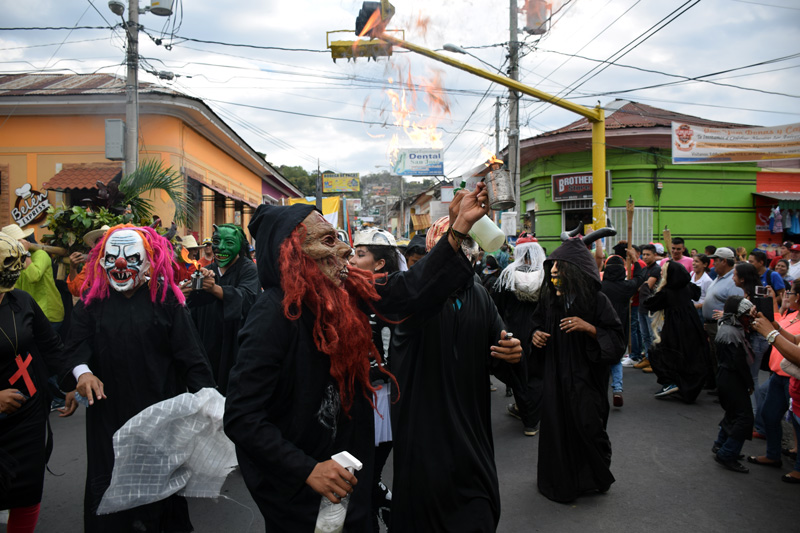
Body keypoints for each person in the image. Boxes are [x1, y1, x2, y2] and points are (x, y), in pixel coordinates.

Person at [223, 184, 496, 531]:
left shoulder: (343, 290)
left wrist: (457, 230)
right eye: (327, 242)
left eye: (339, 238)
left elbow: (408, 289)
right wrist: (307, 468)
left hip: (352, 478)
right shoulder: (272, 316)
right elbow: (242, 416)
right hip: (304, 499)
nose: (345, 249)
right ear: (293, 254)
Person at [59, 224, 216, 532]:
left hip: (159, 419)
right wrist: (84, 373)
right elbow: (74, 348)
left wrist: (208, 404)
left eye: (131, 257)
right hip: (109, 420)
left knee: (162, 504)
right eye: (113, 257)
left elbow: (192, 358)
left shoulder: (167, 300)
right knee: (110, 496)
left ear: (147, 259)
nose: (121, 265)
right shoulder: (92, 303)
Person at [389, 215, 522, 531]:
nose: (466, 253)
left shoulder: (480, 296)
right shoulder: (415, 301)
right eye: (456, 245)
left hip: (471, 434)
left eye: (470, 246)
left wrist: (512, 354)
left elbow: (500, 345)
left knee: (479, 512)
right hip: (425, 437)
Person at [530, 231, 626, 503]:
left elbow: (617, 340)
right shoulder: (549, 300)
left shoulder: (597, 301)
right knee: (557, 429)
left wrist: (590, 328)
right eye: (552, 269)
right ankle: (559, 481)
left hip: (586, 380)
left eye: (560, 269)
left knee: (589, 426)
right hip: (555, 379)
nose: (554, 274)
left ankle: (593, 477)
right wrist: (535, 336)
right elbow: (535, 325)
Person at [0, 234, 75, 533]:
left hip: (28, 414)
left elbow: (51, 346)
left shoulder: (22, 300)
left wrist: (71, 383)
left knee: (27, 492)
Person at [348, 228, 400, 531]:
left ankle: (382, 504)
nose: (353, 259)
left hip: (382, 395)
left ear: (380, 264)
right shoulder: (352, 289)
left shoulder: (391, 291)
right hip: (358, 392)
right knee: (363, 469)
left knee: (369, 467)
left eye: (360, 254)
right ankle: (383, 502)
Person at [184, 224, 259, 395]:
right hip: (207, 340)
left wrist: (214, 289)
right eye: (217, 241)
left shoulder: (248, 269)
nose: (221, 247)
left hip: (235, 343)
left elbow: (247, 299)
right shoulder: (207, 270)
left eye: (229, 242)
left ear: (240, 245)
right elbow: (193, 307)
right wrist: (187, 292)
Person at [492, 233, 546, 434]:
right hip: (538, 333)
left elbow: (497, 307)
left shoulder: (507, 275)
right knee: (537, 375)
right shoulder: (546, 276)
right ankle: (531, 420)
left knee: (518, 375)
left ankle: (526, 413)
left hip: (513, 334)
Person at [643, 260, 709, 402]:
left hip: (675, 329)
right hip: (693, 327)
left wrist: (644, 287)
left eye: (663, 271)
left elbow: (649, 304)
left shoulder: (667, 292)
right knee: (690, 357)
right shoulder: (686, 287)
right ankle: (687, 387)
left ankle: (670, 382)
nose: (660, 272)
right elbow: (697, 294)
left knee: (658, 352)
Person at [752, 299, 800, 484]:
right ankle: (773, 455)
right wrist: (775, 328)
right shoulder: (792, 315)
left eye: (792, 293)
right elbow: (795, 340)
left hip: (791, 379)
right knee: (769, 415)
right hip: (781, 377)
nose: (789, 296)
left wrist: (770, 333)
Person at [712, 296, 756, 473]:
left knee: (733, 413)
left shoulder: (729, 327)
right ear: (738, 314)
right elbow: (738, 362)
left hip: (727, 377)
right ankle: (727, 453)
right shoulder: (732, 332)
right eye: (746, 315)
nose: (749, 319)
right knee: (745, 417)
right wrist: (749, 382)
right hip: (732, 378)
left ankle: (721, 444)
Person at [601, 250, 646, 407]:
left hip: (601, 327)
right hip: (620, 327)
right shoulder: (626, 287)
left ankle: (600, 390)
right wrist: (636, 261)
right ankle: (617, 389)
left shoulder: (599, 287)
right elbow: (640, 278)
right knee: (616, 358)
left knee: (602, 358)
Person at [2, 224, 64, 333]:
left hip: (47, 315)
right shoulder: (13, 260)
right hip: (27, 314)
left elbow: (33, 276)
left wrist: (25, 253)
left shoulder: (41, 254)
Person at [702, 247, 745, 390]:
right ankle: (719, 386)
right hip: (712, 324)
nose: (713, 263)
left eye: (716, 260)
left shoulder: (733, 280)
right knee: (715, 357)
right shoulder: (719, 277)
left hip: (722, 325)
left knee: (722, 358)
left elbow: (736, 304)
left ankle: (726, 389)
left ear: (724, 261)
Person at [631, 244, 661, 371]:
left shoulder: (656, 269)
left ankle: (656, 361)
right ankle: (648, 358)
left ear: (655, 255)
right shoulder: (644, 270)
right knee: (645, 335)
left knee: (653, 334)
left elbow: (646, 286)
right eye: (644, 254)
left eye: (648, 254)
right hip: (642, 306)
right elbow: (639, 284)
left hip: (651, 307)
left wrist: (640, 286)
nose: (646, 257)